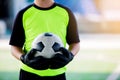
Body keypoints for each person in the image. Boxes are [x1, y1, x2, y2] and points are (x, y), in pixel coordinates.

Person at [9, 0, 80, 80]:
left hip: (57, 74)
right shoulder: (23, 14)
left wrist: (70, 56)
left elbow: (75, 43)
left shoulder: (66, 12)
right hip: (29, 74)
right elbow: (14, 47)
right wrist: (23, 58)